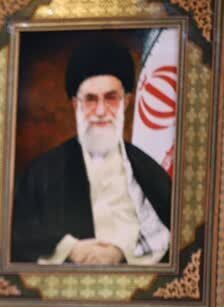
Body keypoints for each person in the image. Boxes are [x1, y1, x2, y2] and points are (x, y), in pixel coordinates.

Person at [11, 39, 172, 265]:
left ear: (126, 102)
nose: (100, 111)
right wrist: (70, 249)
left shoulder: (146, 171)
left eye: (111, 98)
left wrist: (121, 253)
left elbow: (170, 237)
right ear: (75, 105)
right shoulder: (42, 173)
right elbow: (17, 232)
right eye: (90, 100)